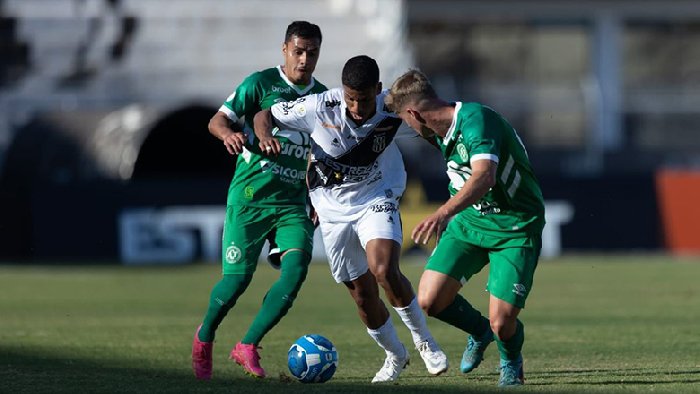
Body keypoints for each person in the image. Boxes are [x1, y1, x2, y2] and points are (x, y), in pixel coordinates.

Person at [254, 55, 448, 383]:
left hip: (377, 196)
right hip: (331, 211)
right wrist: (264, 138)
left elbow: (436, 116)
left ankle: (425, 342)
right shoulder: (318, 106)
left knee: (384, 269)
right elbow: (264, 115)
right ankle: (395, 355)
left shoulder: (392, 108)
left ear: (378, 89)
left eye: (364, 99)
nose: (356, 107)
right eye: (350, 98)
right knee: (361, 294)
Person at [384, 69, 545, 387]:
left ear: (415, 112)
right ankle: (478, 331)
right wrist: (453, 214)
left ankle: (510, 359)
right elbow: (459, 172)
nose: (409, 128)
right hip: (471, 221)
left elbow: (484, 176)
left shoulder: (476, 121)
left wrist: (442, 213)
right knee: (429, 301)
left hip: (516, 225)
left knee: (504, 322)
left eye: (406, 120)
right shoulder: (436, 130)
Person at [191, 21, 327, 380]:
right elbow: (216, 121)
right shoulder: (261, 83)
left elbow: (322, 152)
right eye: (298, 51)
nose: (304, 59)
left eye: (311, 53)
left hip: (292, 204)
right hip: (250, 198)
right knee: (236, 282)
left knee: (296, 271)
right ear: (284, 49)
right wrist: (228, 135)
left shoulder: (323, 97)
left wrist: (317, 193)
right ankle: (204, 338)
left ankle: (247, 345)